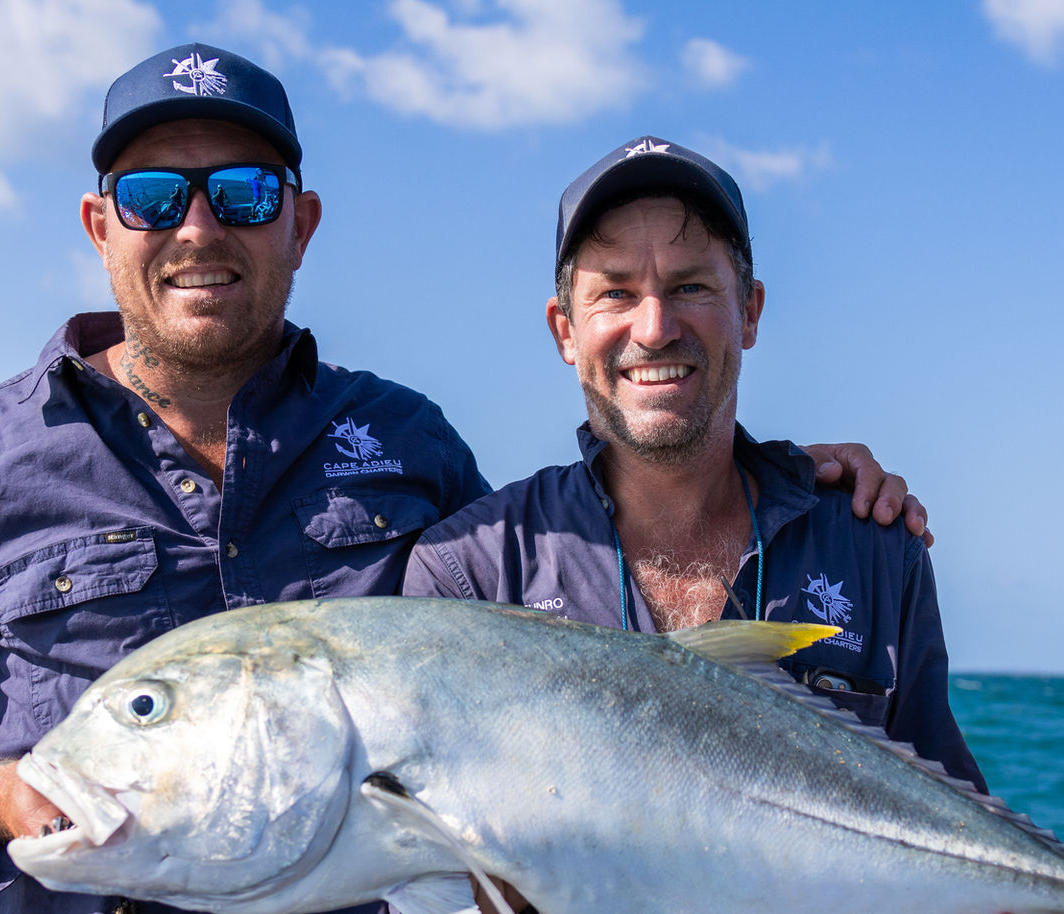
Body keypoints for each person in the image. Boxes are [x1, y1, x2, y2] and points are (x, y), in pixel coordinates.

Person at [0, 44, 925, 914]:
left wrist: (785, 479)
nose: (197, 226)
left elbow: (550, 640)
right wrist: (7, 789)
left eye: (241, 193)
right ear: (102, 225)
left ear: (302, 223)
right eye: (153, 196)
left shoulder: (406, 440)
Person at [404, 137, 984, 800]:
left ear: (750, 312)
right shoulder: (471, 575)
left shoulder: (876, 547)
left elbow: (958, 823)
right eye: (616, 292)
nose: (654, 328)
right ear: (564, 330)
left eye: (690, 287)